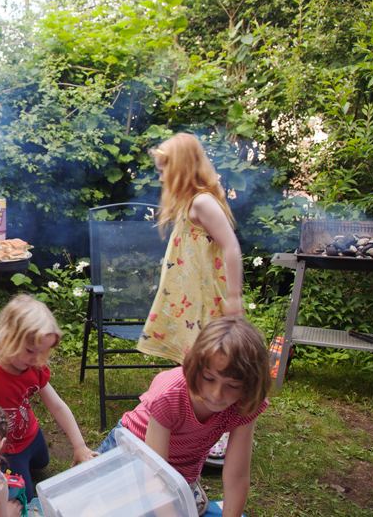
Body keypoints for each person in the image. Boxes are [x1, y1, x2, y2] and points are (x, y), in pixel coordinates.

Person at [96, 316, 271, 517]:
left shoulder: (246, 403)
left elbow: (237, 476)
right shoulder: (170, 394)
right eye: (209, 378)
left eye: (232, 386)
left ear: (248, 386)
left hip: (181, 472)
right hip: (128, 454)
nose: (217, 394)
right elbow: (154, 476)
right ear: (194, 367)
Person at [0, 295, 97, 502]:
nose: (37, 359)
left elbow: (57, 406)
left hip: (32, 434)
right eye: (31, 351)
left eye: (43, 352)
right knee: (24, 499)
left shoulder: (35, 367)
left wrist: (79, 445)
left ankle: (31, 458)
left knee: (41, 463)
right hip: (4, 448)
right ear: (8, 339)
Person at [138, 132, 244, 363]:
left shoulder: (202, 202)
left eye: (163, 171)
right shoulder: (188, 202)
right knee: (193, 357)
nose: (161, 178)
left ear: (180, 169)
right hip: (189, 295)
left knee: (207, 355)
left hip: (204, 296)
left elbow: (231, 247)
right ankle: (190, 394)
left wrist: (234, 296)